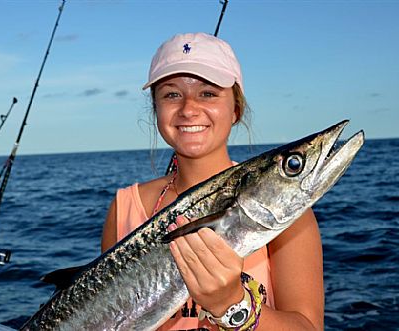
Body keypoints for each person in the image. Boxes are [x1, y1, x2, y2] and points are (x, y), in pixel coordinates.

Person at [101, 32, 324, 330]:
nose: (189, 108)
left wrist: (233, 304)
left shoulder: (289, 214)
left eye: (208, 93)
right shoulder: (125, 206)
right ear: (156, 109)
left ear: (235, 109)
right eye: (171, 94)